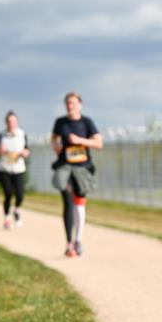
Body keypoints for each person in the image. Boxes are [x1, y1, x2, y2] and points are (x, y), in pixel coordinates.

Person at [51, 92, 103, 257]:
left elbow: (98, 143)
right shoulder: (61, 122)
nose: (70, 106)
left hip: (82, 168)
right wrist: (56, 147)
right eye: (68, 103)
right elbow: (54, 138)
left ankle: (78, 239)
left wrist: (81, 141)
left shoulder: (87, 122)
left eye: (73, 103)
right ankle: (68, 243)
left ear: (79, 104)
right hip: (65, 167)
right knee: (67, 203)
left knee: (79, 204)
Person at [0, 111, 30, 229]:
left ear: (16, 122)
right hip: (4, 169)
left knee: (20, 194)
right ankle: (7, 217)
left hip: (18, 169)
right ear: (6, 122)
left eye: (13, 121)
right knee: (8, 193)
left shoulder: (22, 134)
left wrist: (24, 153)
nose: (11, 124)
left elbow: (27, 150)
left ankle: (16, 210)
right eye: (9, 121)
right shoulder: (1, 136)